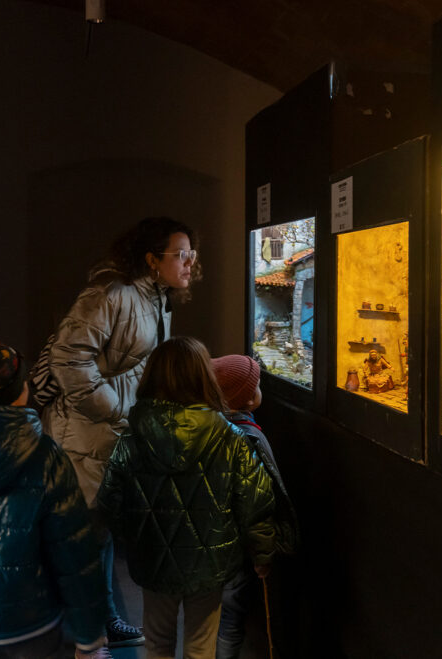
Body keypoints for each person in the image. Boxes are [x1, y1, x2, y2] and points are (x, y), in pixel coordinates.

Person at [40, 217, 200, 647]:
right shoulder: (112, 295)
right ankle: (83, 636)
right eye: (180, 254)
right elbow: (69, 359)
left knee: (100, 534)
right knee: (83, 539)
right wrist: (117, 414)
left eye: (192, 254)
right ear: (151, 260)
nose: (189, 263)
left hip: (112, 438)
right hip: (86, 437)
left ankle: (103, 621)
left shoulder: (156, 299)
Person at [96, 337, 277, 659]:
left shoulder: (132, 436)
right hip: (210, 563)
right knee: (200, 645)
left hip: (153, 561)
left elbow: (110, 501)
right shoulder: (229, 436)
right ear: (203, 377)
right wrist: (262, 553)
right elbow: (255, 501)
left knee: (158, 642)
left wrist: (135, 539)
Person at [0, 339, 110, 659]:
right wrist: (90, 639)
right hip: (30, 626)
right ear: (18, 391)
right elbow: (74, 554)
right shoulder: (45, 455)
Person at [211, 355, 299, 659]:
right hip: (238, 551)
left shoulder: (212, 428)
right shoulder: (245, 438)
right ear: (247, 399)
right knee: (231, 617)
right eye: (257, 385)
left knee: (214, 615)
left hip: (212, 544)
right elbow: (255, 505)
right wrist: (263, 556)